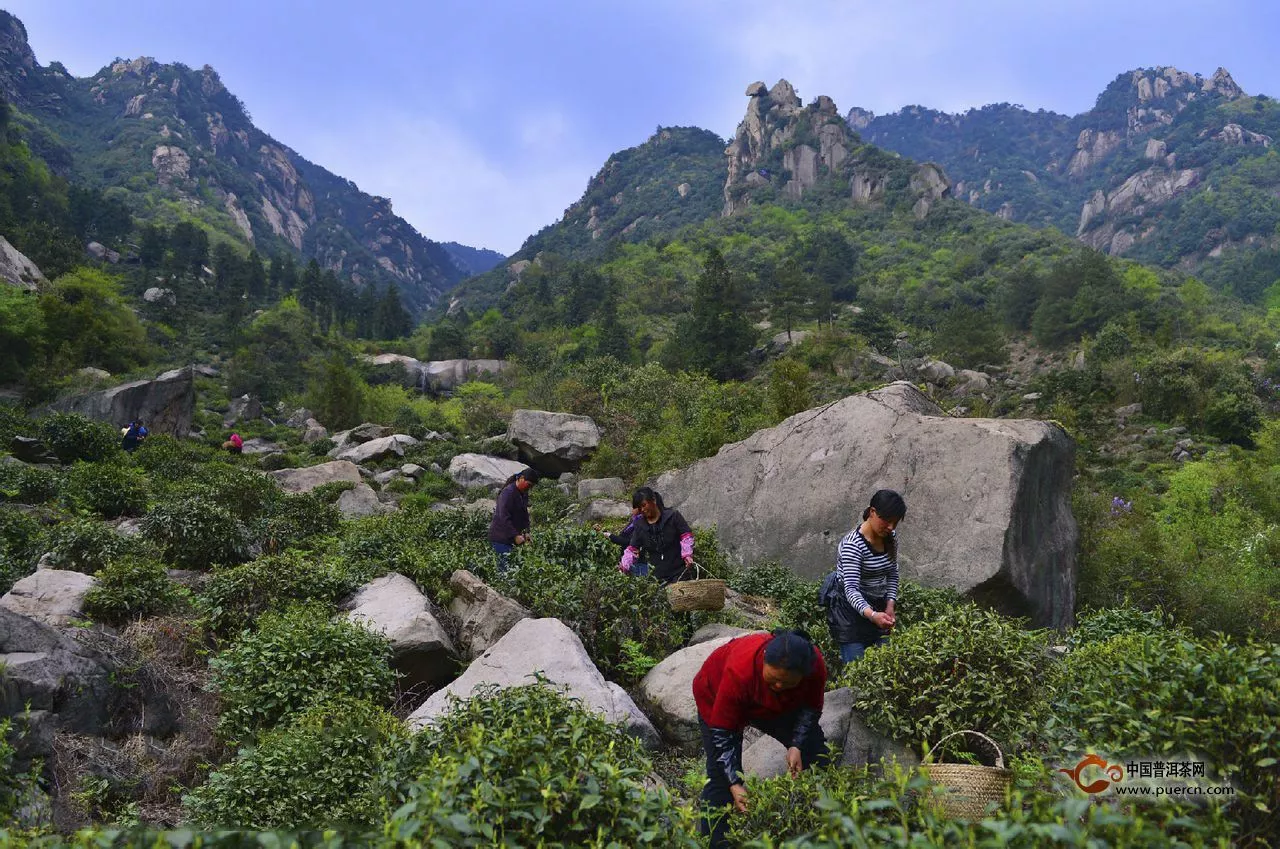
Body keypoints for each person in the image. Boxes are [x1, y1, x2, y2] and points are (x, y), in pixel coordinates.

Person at [693, 629, 829, 848]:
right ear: (764, 657)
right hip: (715, 695)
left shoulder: (815, 667)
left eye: (787, 682)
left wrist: (796, 744)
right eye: (774, 679)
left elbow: (810, 709)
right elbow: (722, 732)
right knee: (720, 781)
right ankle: (716, 843)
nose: (778, 685)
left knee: (815, 753)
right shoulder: (740, 669)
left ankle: (819, 826)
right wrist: (735, 783)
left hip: (777, 706)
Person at [822, 489, 906, 663]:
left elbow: (892, 572)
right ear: (872, 512)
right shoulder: (853, 545)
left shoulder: (890, 537)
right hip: (849, 613)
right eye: (887, 521)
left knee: (886, 665)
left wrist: (890, 604)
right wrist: (872, 615)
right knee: (857, 670)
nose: (890, 527)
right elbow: (851, 589)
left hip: (878, 604)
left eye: (895, 523)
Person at [617, 487, 694, 584]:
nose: (642, 509)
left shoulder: (673, 516)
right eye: (640, 508)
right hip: (657, 577)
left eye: (644, 505)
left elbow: (686, 536)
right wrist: (624, 566)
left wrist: (687, 555)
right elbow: (632, 549)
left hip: (680, 573)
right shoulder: (640, 526)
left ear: (653, 500)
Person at [598, 488, 664, 577]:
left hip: (641, 563)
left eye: (636, 507)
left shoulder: (645, 524)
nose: (633, 509)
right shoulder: (634, 522)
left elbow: (629, 542)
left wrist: (610, 536)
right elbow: (624, 537)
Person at [489, 468, 539, 574]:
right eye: (529, 485)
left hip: (513, 539)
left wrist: (527, 532)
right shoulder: (508, 493)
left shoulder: (523, 494)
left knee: (515, 570)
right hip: (501, 538)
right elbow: (503, 517)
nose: (529, 488)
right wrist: (515, 536)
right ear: (521, 478)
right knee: (505, 571)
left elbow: (524, 515)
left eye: (531, 486)